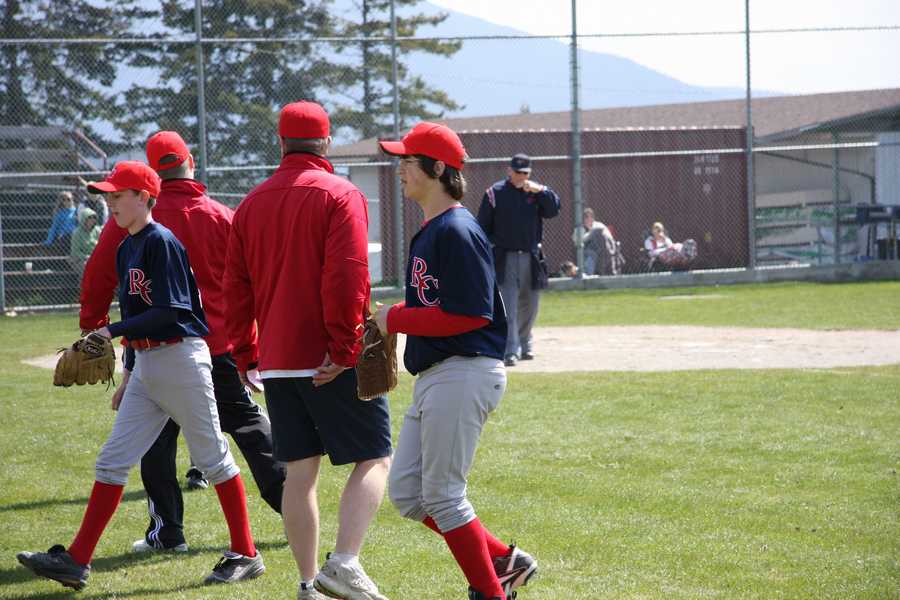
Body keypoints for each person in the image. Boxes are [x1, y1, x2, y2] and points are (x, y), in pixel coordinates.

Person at [17, 161, 264, 590]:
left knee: (212, 458)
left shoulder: (160, 242)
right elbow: (138, 312)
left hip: (181, 359)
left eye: (119, 195)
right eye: (109, 196)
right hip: (148, 364)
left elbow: (172, 311)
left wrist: (110, 331)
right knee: (112, 460)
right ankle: (77, 560)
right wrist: (130, 370)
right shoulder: (126, 246)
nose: (111, 202)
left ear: (145, 198)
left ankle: (245, 553)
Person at [77, 131, 285, 554]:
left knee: (163, 446)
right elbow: (250, 285)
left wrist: (96, 326)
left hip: (171, 348)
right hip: (220, 344)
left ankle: (171, 532)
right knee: (247, 428)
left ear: (149, 178)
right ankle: (293, 507)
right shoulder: (221, 215)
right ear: (190, 160)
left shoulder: (133, 227)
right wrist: (250, 350)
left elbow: (98, 276)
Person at [224, 101, 392, 600]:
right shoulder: (341, 193)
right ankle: (344, 563)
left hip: (277, 359)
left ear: (280, 143)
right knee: (375, 457)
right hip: (327, 357)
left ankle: (306, 584)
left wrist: (246, 354)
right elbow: (347, 275)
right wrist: (345, 347)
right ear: (327, 142)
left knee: (300, 472)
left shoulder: (251, 203)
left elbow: (235, 288)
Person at [375, 122, 537, 600]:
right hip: (440, 373)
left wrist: (396, 319)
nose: (400, 169)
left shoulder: (458, 230)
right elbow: (441, 306)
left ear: (438, 169)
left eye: (408, 161)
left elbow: (469, 314)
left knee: (444, 497)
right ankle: (504, 561)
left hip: (464, 370)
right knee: (409, 492)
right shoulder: (435, 230)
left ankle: (492, 592)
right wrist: (396, 316)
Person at [477, 153, 560, 367]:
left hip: (531, 256)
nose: (521, 176)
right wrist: (492, 248)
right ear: (509, 171)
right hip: (505, 257)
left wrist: (541, 190)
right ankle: (510, 350)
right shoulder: (495, 192)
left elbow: (553, 210)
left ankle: (525, 344)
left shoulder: (536, 192)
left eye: (525, 173)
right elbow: (482, 226)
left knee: (531, 305)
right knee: (509, 306)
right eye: (518, 172)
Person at [576, 208, 622, 276]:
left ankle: (588, 274)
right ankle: (587, 274)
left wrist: (581, 238)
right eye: (585, 218)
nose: (587, 220)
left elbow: (585, 238)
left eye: (590, 217)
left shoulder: (598, 226)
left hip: (608, 251)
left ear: (593, 218)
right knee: (588, 252)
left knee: (589, 252)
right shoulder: (586, 230)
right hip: (599, 254)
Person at [68, 207, 100, 274]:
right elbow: (75, 251)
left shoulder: (97, 230)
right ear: (84, 219)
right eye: (89, 217)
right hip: (80, 259)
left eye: (94, 217)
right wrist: (88, 257)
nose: (92, 219)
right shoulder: (77, 233)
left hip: (96, 258)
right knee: (88, 266)